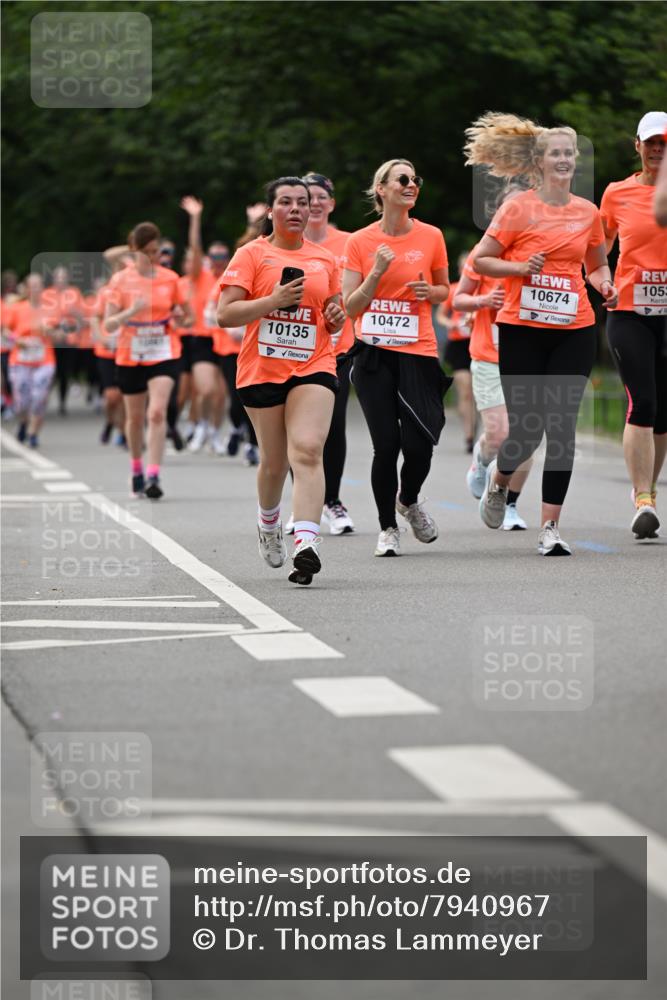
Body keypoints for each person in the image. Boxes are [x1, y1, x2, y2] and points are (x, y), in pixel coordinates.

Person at [465, 112, 617, 556]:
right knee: (528, 431)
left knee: (563, 429)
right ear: (539, 161)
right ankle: (499, 481)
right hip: (522, 329)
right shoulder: (518, 208)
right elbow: (481, 261)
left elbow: (597, 263)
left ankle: (550, 528)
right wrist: (517, 268)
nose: (565, 159)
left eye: (570, 152)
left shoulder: (588, 213)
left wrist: (604, 282)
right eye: (557, 153)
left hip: (573, 328)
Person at [217, 176, 345, 585]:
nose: (295, 209)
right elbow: (226, 315)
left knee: (307, 450)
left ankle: (307, 543)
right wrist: (272, 301)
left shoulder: (325, 258)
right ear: (270, 210)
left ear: (311, 210)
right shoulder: (251, 254)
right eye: (286, 202)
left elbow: (333, 309)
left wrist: (336, 316)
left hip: (314, 365)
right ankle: (268, 524)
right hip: (262, 369)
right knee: (274, 463)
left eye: (302, 203)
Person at [342, 159, 450, 557]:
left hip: (418, 350)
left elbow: (444, 290)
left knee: (421, 444)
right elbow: (350, 307)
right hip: (373, 353)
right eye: (402, 179)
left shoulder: (431, 236)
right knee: (386, 445)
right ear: (381, 189)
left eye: (415, 180)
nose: (411, 185)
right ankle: (387, 526)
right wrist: (377, 272)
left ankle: (408, 499)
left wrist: (431, 293)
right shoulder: (359, 242)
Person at [601, 111, 667, 539]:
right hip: (629, 311)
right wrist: (602, 278)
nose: (659, 150)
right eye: (652, 143)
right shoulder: (617, 193)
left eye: (666, 144)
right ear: (637, 146)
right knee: (641, 401)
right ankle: (642, 497)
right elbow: (599, 248)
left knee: (663, 412)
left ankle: (650, 491)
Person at [285, 172, 356, 535]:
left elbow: (358, 292)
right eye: (306, 197)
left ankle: (332, 500)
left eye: (320, 197)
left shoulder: (349, 242)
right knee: (301, 434)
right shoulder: (283, 244)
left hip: (338, 350)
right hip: (294, 349)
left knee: (334, 427)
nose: (313, 203)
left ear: (330, 202)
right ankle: (304, 503)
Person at [104, 221, 193, 499]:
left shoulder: (170, 278)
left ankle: (154, 474)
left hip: (164, 351)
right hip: (130, 354)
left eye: (158, 251)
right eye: (149, 251)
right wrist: (131, 310)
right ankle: (136, 469)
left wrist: (180, 318)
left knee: (156, 412)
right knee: (135, 417)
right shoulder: (121, 280)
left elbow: (188, 316)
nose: (154, 256)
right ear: (135, 251)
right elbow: (108, 324)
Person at [453, 226, 532, 531]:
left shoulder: (542, 253)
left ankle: (508, 502)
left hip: (529, 357)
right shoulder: (483, 254)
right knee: (499, 435)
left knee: (526, 435)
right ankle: (483, 459)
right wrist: (483, 301)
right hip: (489, 357)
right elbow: (459, 299)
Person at [177, 197, 228, 455]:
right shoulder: (201, 276)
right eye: (214, 256)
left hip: (228, 340)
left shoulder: (233, 276)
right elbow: (194, 248)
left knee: (221, 395)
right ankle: (201, 425)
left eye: (223, 256)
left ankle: (214, 431)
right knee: (206, 390)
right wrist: (195, 218)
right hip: (203, 340)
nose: (218, 259)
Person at [3, 273, 58, 447]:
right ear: (26, 289)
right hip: (20, 360)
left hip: (44, 360)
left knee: (39, 397)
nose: (35, 290)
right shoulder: (17, 308)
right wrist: (16, 340)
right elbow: (4, 330)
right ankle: (23, 422)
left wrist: (50, 331)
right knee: (21, 401)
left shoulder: (50, 308)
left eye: (38, 286)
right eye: (32, 286)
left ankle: (33, 433)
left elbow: (60, 335)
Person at [437, 252, 475, 452]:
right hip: (459, 345)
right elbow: (441, 316)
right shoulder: (453, 290)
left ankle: (478, 428)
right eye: (465, 266)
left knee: (480, 392)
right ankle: (469, 436)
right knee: (466, 391)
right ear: (461, 269)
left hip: (480, 342)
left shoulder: (484, 288)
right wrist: (451, 323)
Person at [655, 124, 667, 226]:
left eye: (663, 143)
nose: (657, 149)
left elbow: (661, 214)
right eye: (649, 142)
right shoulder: (614, 191)